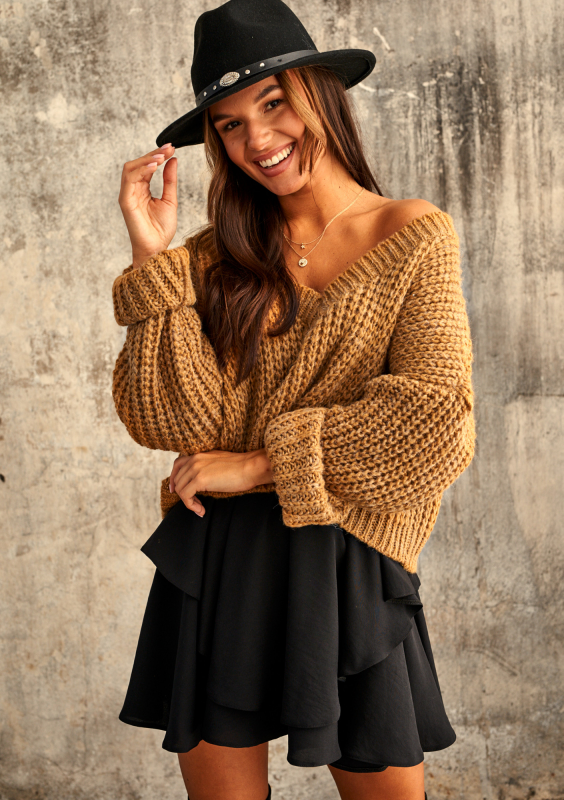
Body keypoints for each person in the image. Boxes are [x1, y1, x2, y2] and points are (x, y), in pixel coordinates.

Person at [111, 1, 476, 798]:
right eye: (231, 124)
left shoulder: (412, 234)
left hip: (348, 557)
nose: (258, 139)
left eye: (273, 103)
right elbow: (168, 420)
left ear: (321, 93)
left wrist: (256, 464)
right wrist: (151, 257)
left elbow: (433, 425)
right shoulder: (211, 259)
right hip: (219, 558)